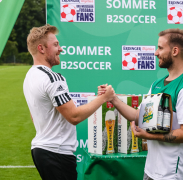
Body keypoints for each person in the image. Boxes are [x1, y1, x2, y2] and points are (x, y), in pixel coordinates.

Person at [98, 28, 183, 180]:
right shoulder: (157, 84)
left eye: (160, 48)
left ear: (175, 51)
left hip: (172, 174)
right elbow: (138, 115)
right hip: (151, 170)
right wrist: (113, 98)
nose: (156, 52)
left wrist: (148, 136)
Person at [23, 24, 115, 180]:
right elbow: (74, 117)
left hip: (42, 151)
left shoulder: (30, 76)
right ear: (41, 48)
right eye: (55, 45)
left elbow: (38, 115)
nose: (61, 49)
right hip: (56, 153)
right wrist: (104, 98)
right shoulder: (53, 78)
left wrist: (97, 98)